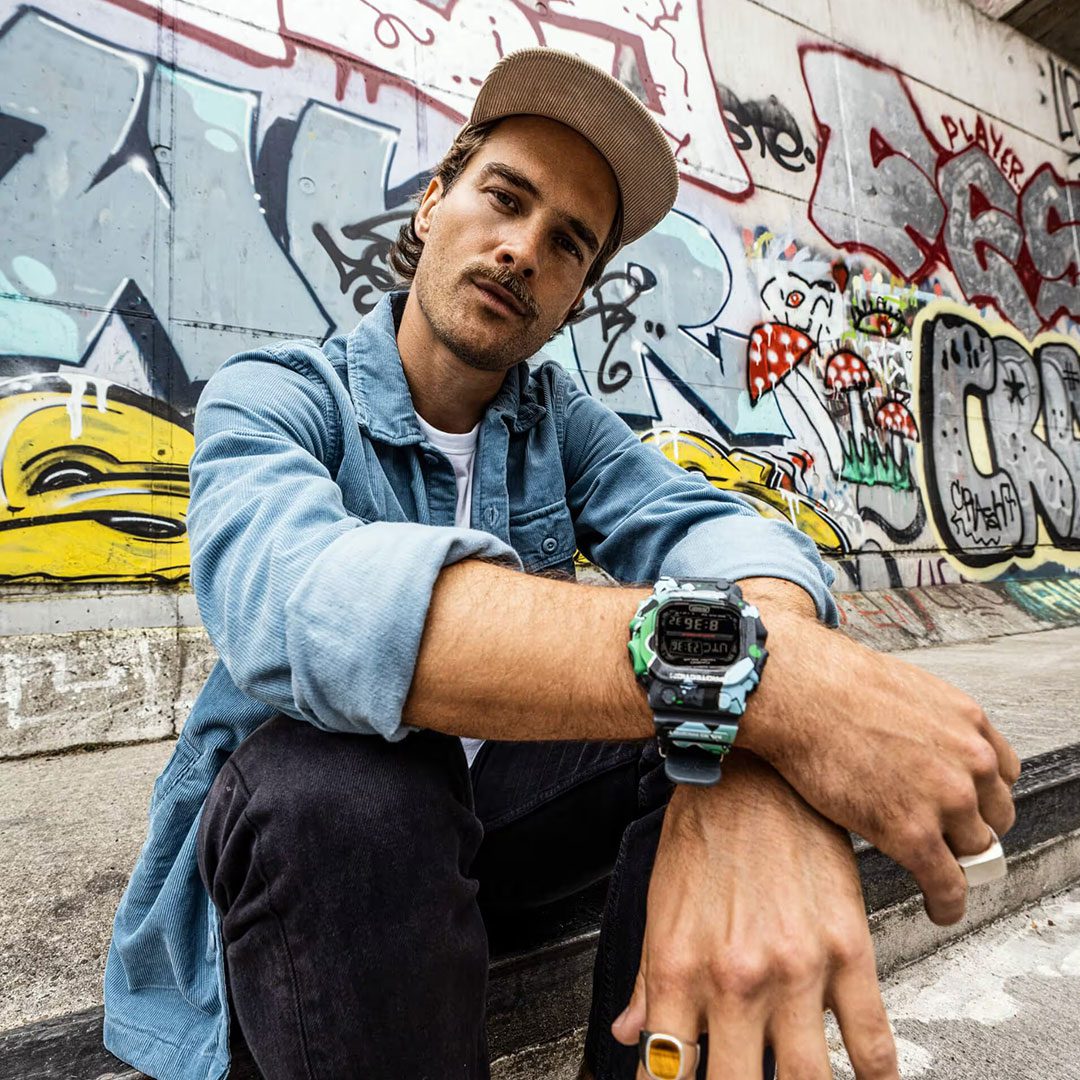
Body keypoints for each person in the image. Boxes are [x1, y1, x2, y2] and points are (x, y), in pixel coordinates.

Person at [104, 48, 1020, 1080]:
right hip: (329, 853)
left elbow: (732, 536)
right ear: (432, 203)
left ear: (577, 293)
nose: (522, 250)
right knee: (342, 785)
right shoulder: (277, 394)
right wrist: (770, 683)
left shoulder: (555, 422)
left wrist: (758, 745)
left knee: (714, 746)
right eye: (505, 198)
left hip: (490, 822)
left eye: (568, 243)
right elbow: (301, 605)